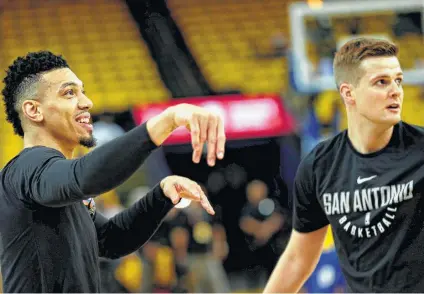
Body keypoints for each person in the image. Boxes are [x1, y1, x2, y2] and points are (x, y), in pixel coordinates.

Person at [0, 51, 226, 293]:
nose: (87, 102)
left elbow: (111, 240)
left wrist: (160, 196)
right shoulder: (28, 167)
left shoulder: (58, 182)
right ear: (34, 111)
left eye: (82, 91)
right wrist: (165, 122)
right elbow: (83, 177)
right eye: (69, 93)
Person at [264, 37, 424, 293]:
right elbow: (298, 259)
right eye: (381, 82)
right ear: (348, 93)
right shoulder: (319, 165)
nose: (395, 90)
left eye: (398, 80)